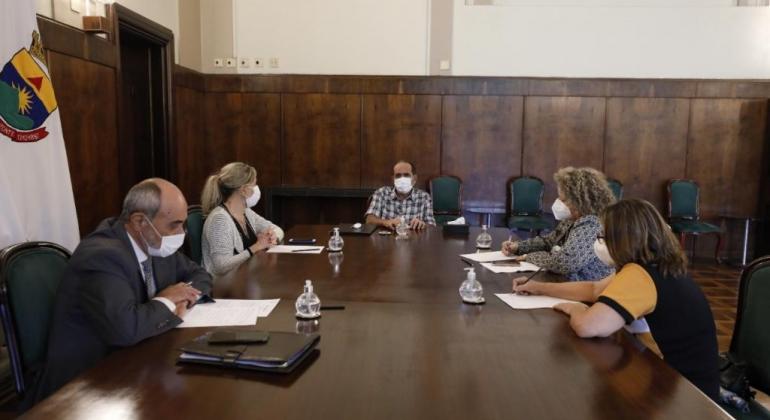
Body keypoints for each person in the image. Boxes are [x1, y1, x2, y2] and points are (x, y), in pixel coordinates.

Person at [513, 199, 720, 401]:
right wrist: (539, 288)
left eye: (603, 236)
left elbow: (589, 327)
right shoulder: (655, 264)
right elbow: (594, 289)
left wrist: (574, 309)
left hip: (683, 394)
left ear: (624, 239)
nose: (599, 242)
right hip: (685, 383)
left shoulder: (640, 274)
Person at [32, 178, 213, 404]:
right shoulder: (102, 255)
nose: (181, 233)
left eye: (183, 224)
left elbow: (201, 275)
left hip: (137, 358)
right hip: (86, 384)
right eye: (174, 225)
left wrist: (184, 297)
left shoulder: (155, 244)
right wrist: (167, 301)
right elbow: (126, 329)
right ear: (140, 221)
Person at [501, 167, 614, 281]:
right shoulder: (571, 219)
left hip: (588, 290)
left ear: (580, 201)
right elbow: (548, 242)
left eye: (563, 200)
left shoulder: (592, 224)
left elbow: (566, 262)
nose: (558, 202)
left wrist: (529, 257)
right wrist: (518, 247)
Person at [201, 162, 284, 275]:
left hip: (246, 278)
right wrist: (256, 247)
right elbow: (221, 266)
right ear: (243, 190)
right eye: (254, 185)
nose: (256, 190)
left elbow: (277, 229)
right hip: (224, 286)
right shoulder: (219, 219)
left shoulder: (247, 212)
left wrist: (272, 237)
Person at [365, 160, 436, 230]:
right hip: (387, 239)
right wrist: (385, 222)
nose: (402, 179)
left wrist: (423, 225)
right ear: (393, 179)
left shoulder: (424, 197)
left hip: (414, 240)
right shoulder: (382, 193)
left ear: (414, 178)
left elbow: (432, 226)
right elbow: (369, 220)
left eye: (406, 175)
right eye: (398, 176)